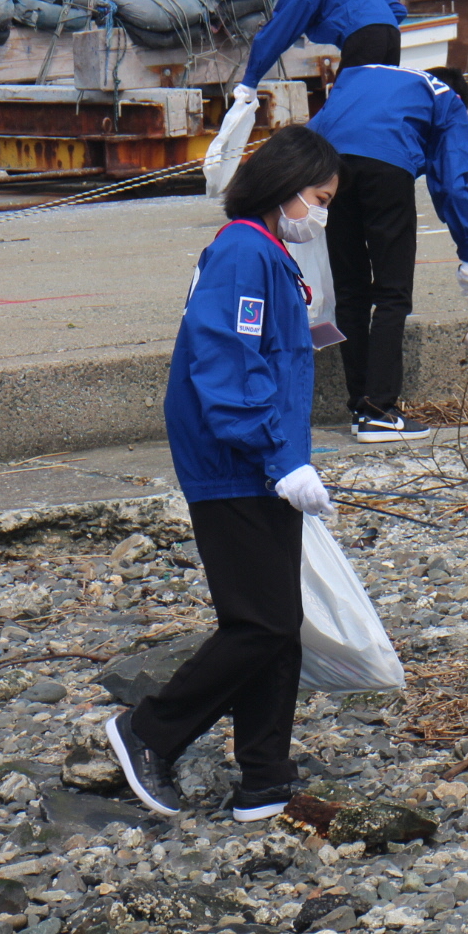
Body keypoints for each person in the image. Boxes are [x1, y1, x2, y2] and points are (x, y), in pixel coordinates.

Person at [105, 124, 340, 822]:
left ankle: (264, 776)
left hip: (263, 461)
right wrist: (278, 458)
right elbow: (226, 364)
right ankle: (149, 731)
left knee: (278, 621)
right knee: (260, 622)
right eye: (320, 199)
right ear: (287, 188)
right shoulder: (244, 251)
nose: (321, 215)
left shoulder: (264, 252)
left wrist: (288, 459)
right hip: (236, 461)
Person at [306, 62, 468, 442]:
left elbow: (311, 131)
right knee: (392, 292)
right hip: (387, 166)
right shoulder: (447, 99)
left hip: (330, 169)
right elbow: (451, 182)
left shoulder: (361, 74)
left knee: (350, 292)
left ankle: (360, 407)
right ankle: (381, 411)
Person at [242, 0, 410, 87]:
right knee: (379, 100)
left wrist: (249, 81)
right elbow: (398, 9)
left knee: (344, 105)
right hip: (392, 36)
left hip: (363, 37)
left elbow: (278, 32)